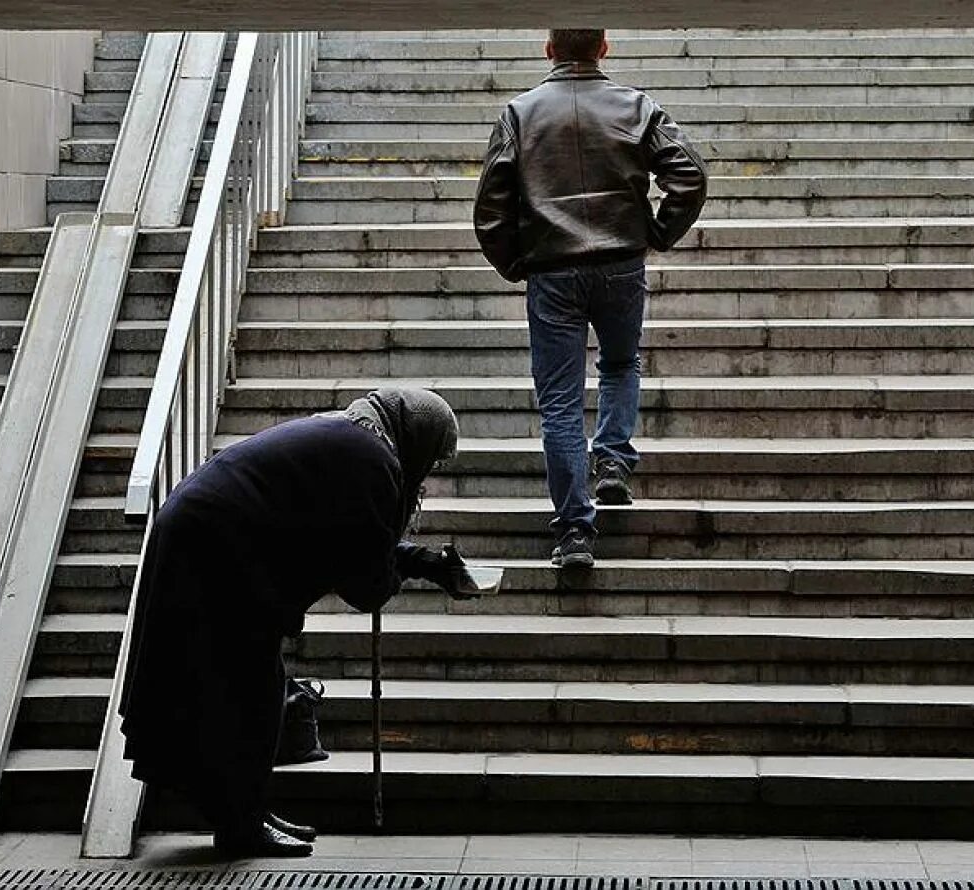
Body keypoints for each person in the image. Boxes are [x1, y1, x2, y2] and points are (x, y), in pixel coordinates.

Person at [118, 388, 464, 857]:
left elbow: (350, 538)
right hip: (210, 552)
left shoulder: (358, 443)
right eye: (435, 457)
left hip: (208, 541)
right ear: (418, 439)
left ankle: (244, 813)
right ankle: (240, 825)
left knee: (245, 687)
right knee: (248, 692)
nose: (429, 474)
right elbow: (365, 583)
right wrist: (400, 574)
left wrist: (424, 562)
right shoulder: (373, 461)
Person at [473, 28, 708, 568]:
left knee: (558, 400)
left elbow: (490, 207)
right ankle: (612, 462)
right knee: (621, 364)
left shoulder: (520, 113)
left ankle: (576, 531)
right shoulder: (635, 106)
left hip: (553, 270)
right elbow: (688, 176)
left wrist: (517, 261)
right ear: (604, 48)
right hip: (621, 261)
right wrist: (656, 232)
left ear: (549, 49)